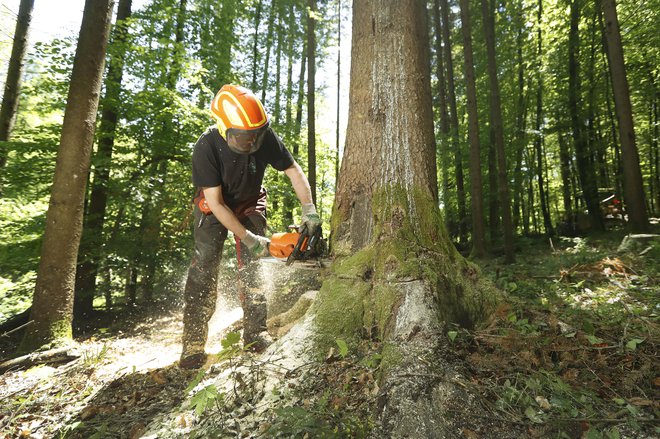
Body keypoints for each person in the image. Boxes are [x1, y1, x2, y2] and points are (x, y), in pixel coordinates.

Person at [179, 84, 320, 369]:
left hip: (249, 202)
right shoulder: (206, 147)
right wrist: (248, 237)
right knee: (205, 263)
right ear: (225, 128)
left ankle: (255, 334)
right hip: (213, 205)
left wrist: (310, 211)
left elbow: (293, 170)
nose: (251, 144)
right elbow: (216, 204)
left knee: (255, 266)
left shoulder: (262, 137)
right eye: (244, 138)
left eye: (256, 136)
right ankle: (193, 343)